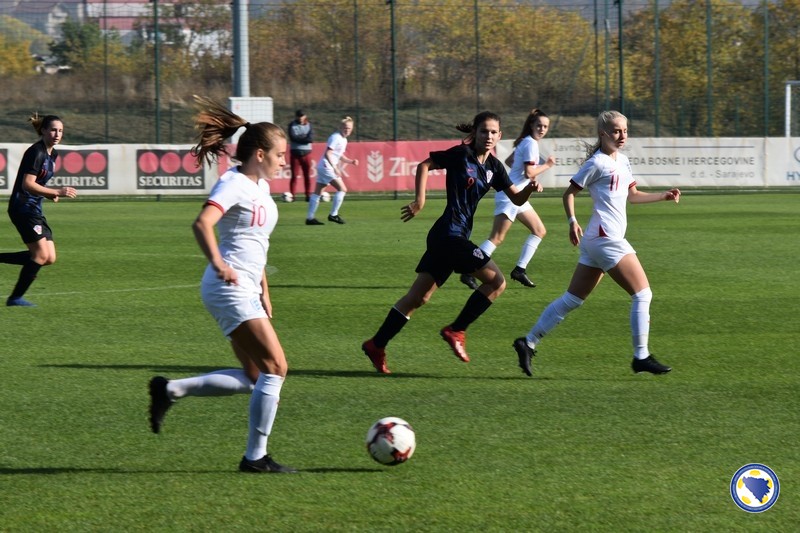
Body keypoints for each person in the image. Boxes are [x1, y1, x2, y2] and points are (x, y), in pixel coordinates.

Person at [148, 96, 297, 474]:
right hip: (229, 288)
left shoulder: (259, 188)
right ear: (260, 154)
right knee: (276, 368)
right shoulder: (233, 183)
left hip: (246, 288)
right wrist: (219, 264)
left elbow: (255, 244)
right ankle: (255, 458)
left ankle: (170, 390)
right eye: (280, 155)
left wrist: (264, 290)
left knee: (254, 377)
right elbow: (202, 223)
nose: (284, 161)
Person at [361, 111, 543, 374]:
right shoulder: (461, 155)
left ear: (500, 136)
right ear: (475, 132)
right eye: (484, 131)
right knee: (496, 282)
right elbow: (424, 165)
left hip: (450, 237)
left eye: (493, 132)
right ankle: (456, 330)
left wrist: (529, 189)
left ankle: (376, 345)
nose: (489, 136)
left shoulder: (494, 167)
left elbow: (516, 198)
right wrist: (420, 201)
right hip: (449, 235)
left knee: (418, 297)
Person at [512, 110, 680, 377]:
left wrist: (664, 196)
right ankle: (641, 356)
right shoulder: (597, 163)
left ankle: (528, 342)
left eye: (625, 131)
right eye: (616, 131)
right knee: (642, 294)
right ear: (603, 134)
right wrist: (572, 221)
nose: (622, 135)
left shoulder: (622, 161)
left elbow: (633, 196)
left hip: (598, 240)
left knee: (572, 299)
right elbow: (569, 193)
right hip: (606, 238)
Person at [460, 108, 556, 290]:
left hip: (517, 194)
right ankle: (469, 270)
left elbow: (511, 162)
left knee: (539, 230)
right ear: (531, 125)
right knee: (496, 238)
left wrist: (527, 179)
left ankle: (520, 270)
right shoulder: (530, 143)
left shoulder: (525, 141)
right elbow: (529, 172)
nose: (542, 129)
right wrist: (547, 165)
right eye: (539, 125)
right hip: (511, 195)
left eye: (545, 126)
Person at [0, 113, 77, 307]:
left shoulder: (53, 154)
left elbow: (38, 184)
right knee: (40, 255)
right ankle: (15, 298)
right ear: (43, 130)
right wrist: (55, 191)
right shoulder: (36, 152)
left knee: (49, 257)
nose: (57, 134)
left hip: (34, 207)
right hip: (23, 207)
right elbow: (27, 184)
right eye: (53, 130)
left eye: (60, 131)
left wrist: (49, 194)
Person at [305, 116, 358, 225]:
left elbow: (339, 155)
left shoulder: (344, 139)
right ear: (340, 127)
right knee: (342, 189)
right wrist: (334, 167)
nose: (347, 130)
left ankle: (310, 219)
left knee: (318, 192)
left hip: (323, 166)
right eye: (345, 127)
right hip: (327, 167)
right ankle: (333, 215)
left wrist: (350, 161)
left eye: (349, 128)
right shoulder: (336, 137)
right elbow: (328, 153)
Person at [287, 109, 313, 202]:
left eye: (302, 116)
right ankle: (292, 196)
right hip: (295, 153)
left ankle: (308, 195)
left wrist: (299, 139)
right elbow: (292, 138)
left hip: (306, 153)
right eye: (299, 116)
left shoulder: (309, 125)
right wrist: (303, 139)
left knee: (307, 176)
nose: (300, 118)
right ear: (296, 116)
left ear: (305, 116)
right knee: (294, 176)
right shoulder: (292, 125)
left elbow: (310, 139)